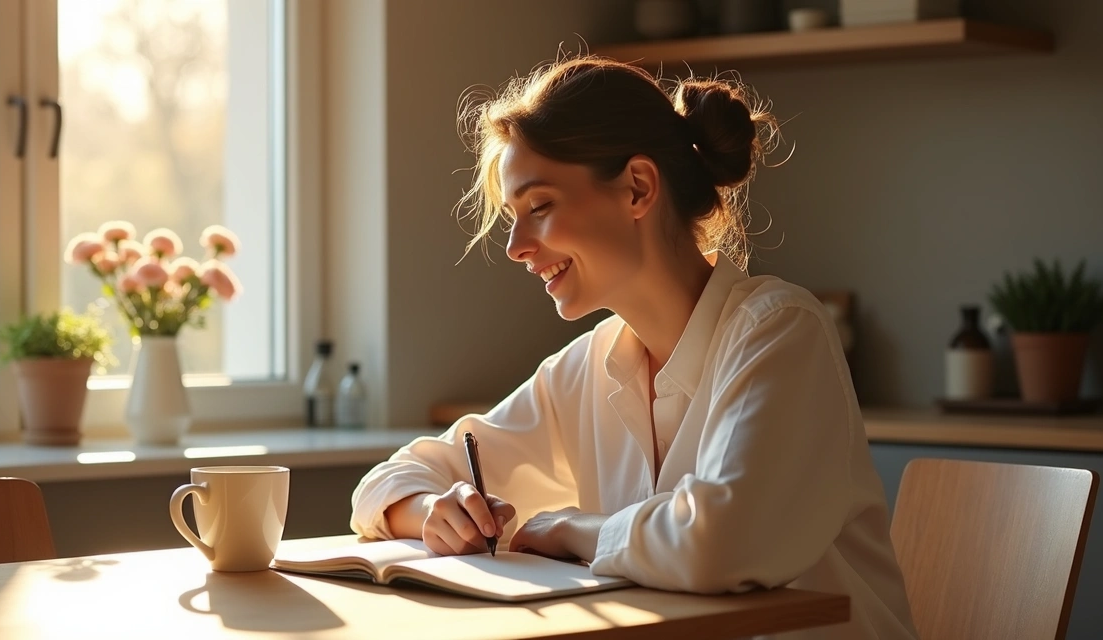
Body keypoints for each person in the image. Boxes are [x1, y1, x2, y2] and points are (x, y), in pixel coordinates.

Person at [349, 55, 917, 640]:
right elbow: (390, 479)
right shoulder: (588, 366)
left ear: (638, 188)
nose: (516, 245)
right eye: (512, 218)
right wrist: (429, 513)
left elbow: (720, 543)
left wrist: (575, 529)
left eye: (539, 206)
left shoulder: (779, 332)